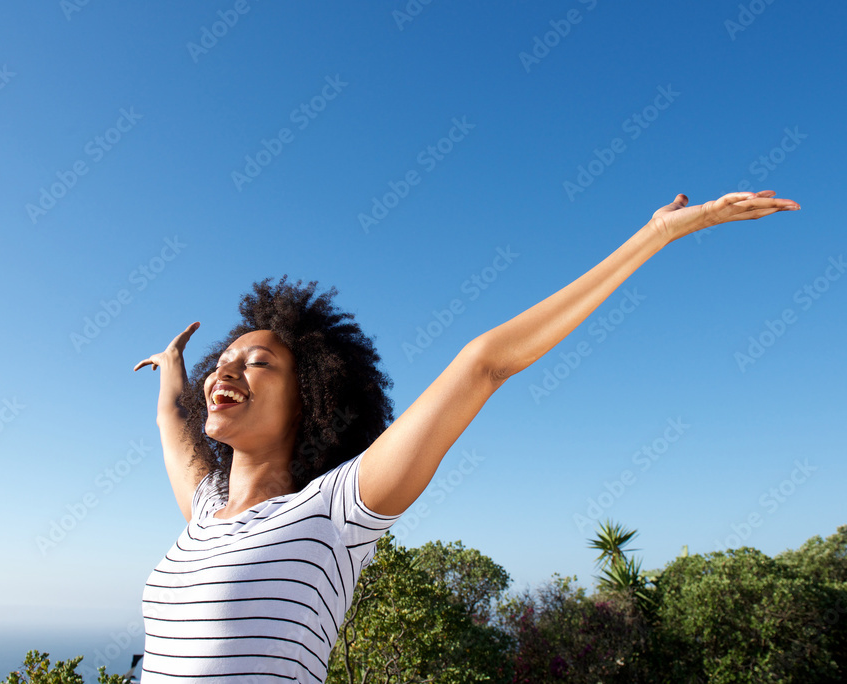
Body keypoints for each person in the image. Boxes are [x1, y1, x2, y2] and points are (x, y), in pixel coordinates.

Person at [133, 190, 800, 682]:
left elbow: (484, 364)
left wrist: (654, 235)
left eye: (258, 363)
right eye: (223, 363)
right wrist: (173, 369)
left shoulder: (333, 512)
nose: (228, 370)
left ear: (311, 401)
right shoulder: (205, 507)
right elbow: (173, 424)